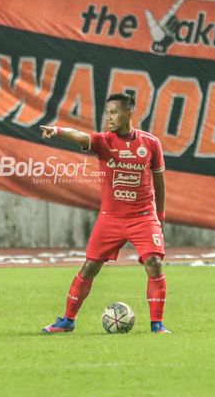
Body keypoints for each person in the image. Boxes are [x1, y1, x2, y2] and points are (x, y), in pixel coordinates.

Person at [40, 93, 171, 334]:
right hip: (110, 217)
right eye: (107, 112)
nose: (109, 117)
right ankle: (67, 320)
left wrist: (159, 217)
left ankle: (157, 325)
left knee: (154, 264)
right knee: (90, 267)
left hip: (143, 216)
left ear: (129, 113)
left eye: (114, 112)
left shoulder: (151, 143)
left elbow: (160, 182)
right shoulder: (104, 141)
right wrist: (58, 131)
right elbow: (81, 136)